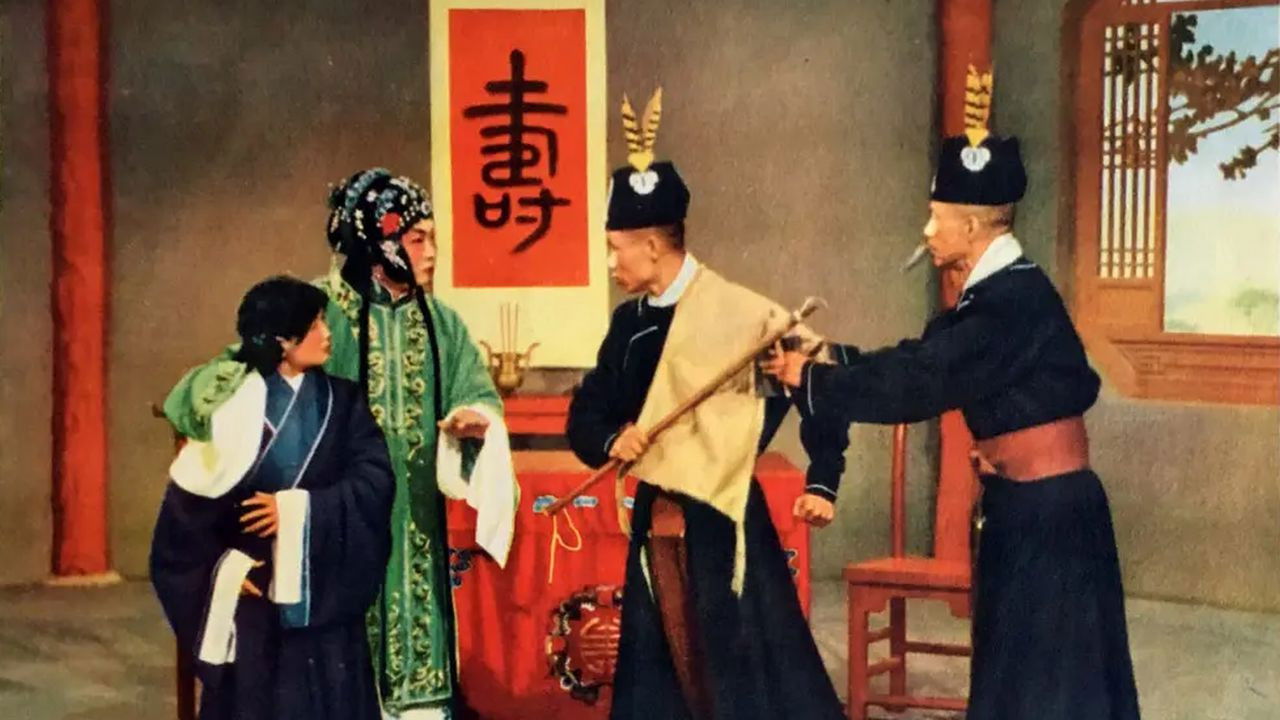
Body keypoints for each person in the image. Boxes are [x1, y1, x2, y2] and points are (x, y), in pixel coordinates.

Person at [765, 128, 1142, 719]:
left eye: (935, 217)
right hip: (1026, 506)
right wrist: (826, 357)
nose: (926, 231)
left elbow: (922, 381)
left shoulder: (1011, 300)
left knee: (1050, 685)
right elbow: (917, 358)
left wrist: (809, 378)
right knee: (1017, 678)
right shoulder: (990, 296)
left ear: (969, 227)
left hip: (1049, 514)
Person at [163, 169, 515, 720]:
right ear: (379, 242)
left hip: (414, 515)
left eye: (433, 238)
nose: (432, 253)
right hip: (328, 522)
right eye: (417, 238)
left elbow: (477, 391)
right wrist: (206, 405)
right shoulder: (317, 311)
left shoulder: (442, 323)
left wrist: (476, 419)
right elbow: (240, 368)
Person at [566, 90, 847, 720]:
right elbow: (584, 415)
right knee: (662, 679)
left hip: (727, 518)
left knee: (741, 679)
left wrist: (823, 479)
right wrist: (613, 439)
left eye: (615, 247)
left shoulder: (743, 315)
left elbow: (820, 384)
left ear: (652, 245)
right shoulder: (629, 326)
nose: (609, 262)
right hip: (657, 518)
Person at [151, 275, 394, 720]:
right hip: (254, 592)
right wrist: (221, 570)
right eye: (315, 324)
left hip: (323, 586)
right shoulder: (233, 406)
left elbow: (375, 481)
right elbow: (185, 518)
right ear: (283, 339)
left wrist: (298, 512)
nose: (328, 333)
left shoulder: (344, 402)